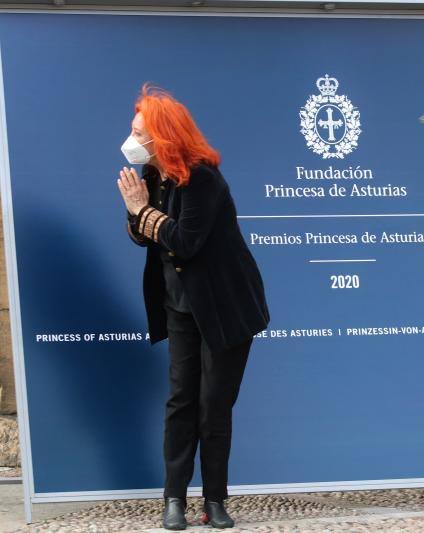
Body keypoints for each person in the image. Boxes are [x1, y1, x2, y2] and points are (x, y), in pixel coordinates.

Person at [117, 85, 270, 530]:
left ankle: (216, 500)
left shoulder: (203, 178)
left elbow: (184, 243)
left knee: (214, 404)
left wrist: (141, 212)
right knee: (181, 401)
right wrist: (136, 212)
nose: (130, 139)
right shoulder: (149, 177)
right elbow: (142, 235)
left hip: (225, 307)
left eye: (137, 132)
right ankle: (173, 500)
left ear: (162, 136)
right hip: (179, 306)